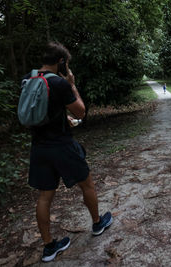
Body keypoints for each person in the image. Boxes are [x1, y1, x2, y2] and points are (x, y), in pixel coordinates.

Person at [22, 42, 112, 262]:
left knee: (44, 197)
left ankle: (49, 246)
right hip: (62, 146)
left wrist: (64, 118)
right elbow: (81, 111)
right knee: (87, 184)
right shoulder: (59, 83)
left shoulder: (28, 79)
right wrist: (71, 84)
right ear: (61, 62)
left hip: (39, 147)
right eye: (66, 64)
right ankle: (97, 223)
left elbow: (42, 112)